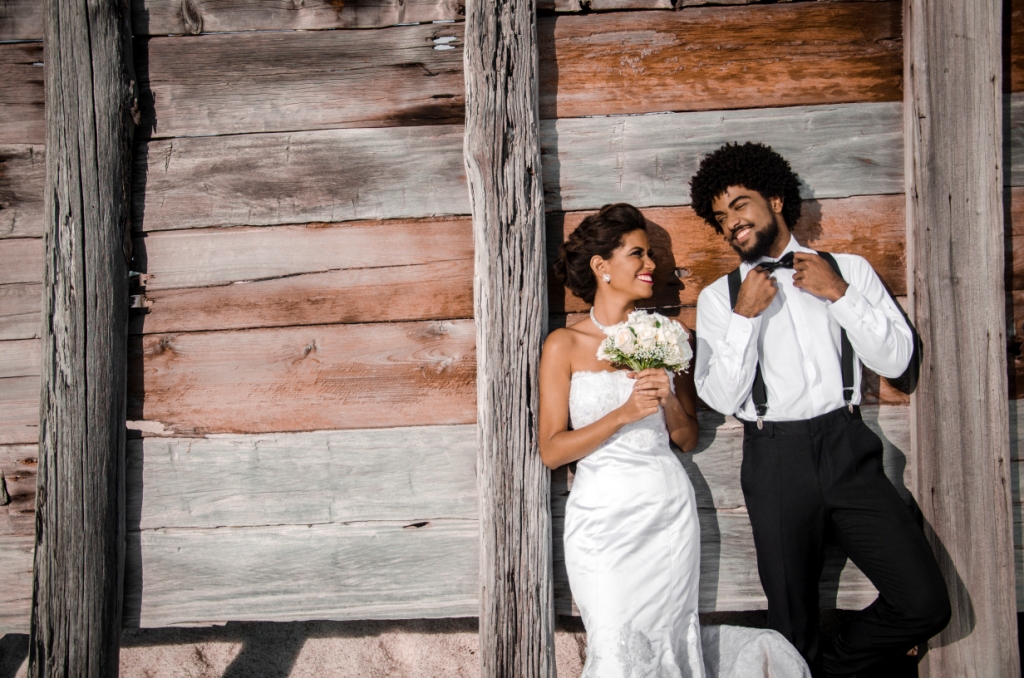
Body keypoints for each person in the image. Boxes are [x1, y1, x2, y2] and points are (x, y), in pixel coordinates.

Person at [690, 143, 951, 677]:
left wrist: (841, 296)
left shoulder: (848, 269)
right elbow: (718, 398)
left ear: (777, 199)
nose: (731, 224)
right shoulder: (720, 298)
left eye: (739, 205)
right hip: (774, 457)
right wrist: (744, 319)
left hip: (848, 447)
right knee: (791, 619)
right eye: (720, 218)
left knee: (924, 602)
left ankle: (827, 670)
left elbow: (898, 359)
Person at [540, 202, 811, 678]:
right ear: (601, 266)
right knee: (614, 646)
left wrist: (664, 399)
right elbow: (551, 449)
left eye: (650, 255)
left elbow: (687, 438)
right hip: (600, 518)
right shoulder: (563, 345)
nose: (652, 266)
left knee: (671, 641)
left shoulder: (669, 336)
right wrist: (624, 414)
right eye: (637, 255)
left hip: (665, 508)